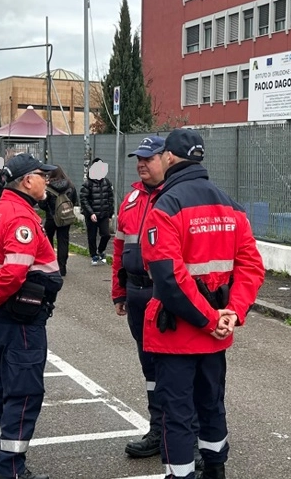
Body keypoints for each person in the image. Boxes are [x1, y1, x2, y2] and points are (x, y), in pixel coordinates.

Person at [140, 128, 265, 479]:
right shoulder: (231, 206)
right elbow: (251, 267)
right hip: (216, 333)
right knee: (211, 405)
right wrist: (232, 312)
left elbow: (167, 277)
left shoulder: (165, 205)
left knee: (177, 414)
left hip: (179, 331)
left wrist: (210, 319)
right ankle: (216, 469)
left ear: (168, 158)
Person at [0, 153, 63, 479]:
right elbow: (13, 273)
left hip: (1, 318)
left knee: (0, 385)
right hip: (21, 318)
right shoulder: (21, 219)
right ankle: (10, 469)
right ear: (26, 180)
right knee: (23, 393)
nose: (47, 181)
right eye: (42, 175)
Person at [110, 136, 171, 458]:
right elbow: (119, 247)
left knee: (175, 365)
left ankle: (183, 431)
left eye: (149, 158)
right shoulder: (132, 198)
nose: (141, 163)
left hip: (165, 292)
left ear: (167, 159)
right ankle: (158, 429)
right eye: (139, 158)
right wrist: (118, 290)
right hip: (135, 292)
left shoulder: (176, 197)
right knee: (149, 364)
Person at [37, 166, 78, 277]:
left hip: (51, 218)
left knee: (47, 239)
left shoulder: (48, 187)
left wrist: (49, 209)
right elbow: (74, 201)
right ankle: (62, 267)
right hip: (65, 217)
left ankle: (51, 264)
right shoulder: (70, 185)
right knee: (63, 241)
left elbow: (42, 204)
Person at [80, 158, 115, 265]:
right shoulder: (88, 183)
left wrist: (110, 213)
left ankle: (100, 250)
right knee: (92, 236)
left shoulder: (107, 182)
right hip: (91, 215)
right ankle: (94, 255)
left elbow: (110, 198)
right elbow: (83, 199)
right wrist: (91, 213)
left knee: (106, 234)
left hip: (104, 214)